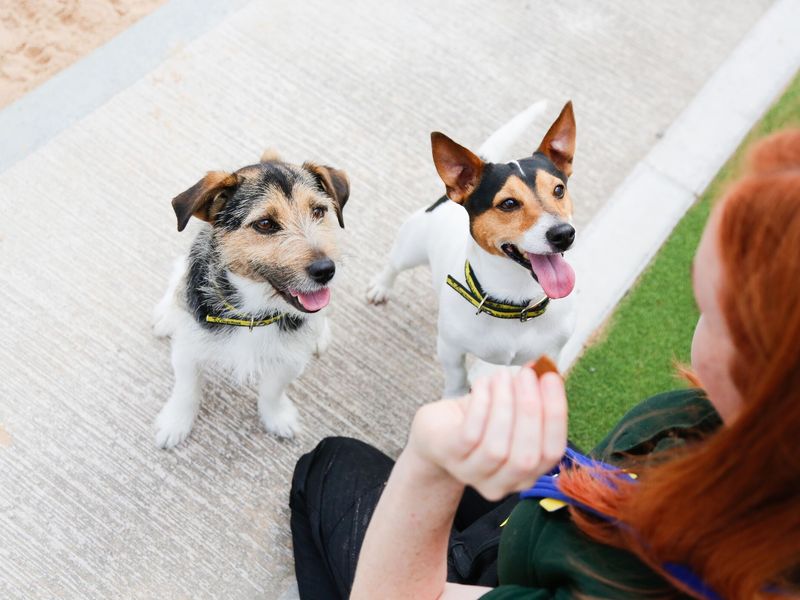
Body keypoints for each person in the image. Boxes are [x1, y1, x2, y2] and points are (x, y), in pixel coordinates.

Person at [289, 129, 800, 599]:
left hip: (514, 563)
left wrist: (426, 458)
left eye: (703, 305)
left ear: (766, 368)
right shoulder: (710, 418)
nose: (556, 222)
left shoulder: (624, 585)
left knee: (328, 463)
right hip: (567, 509)